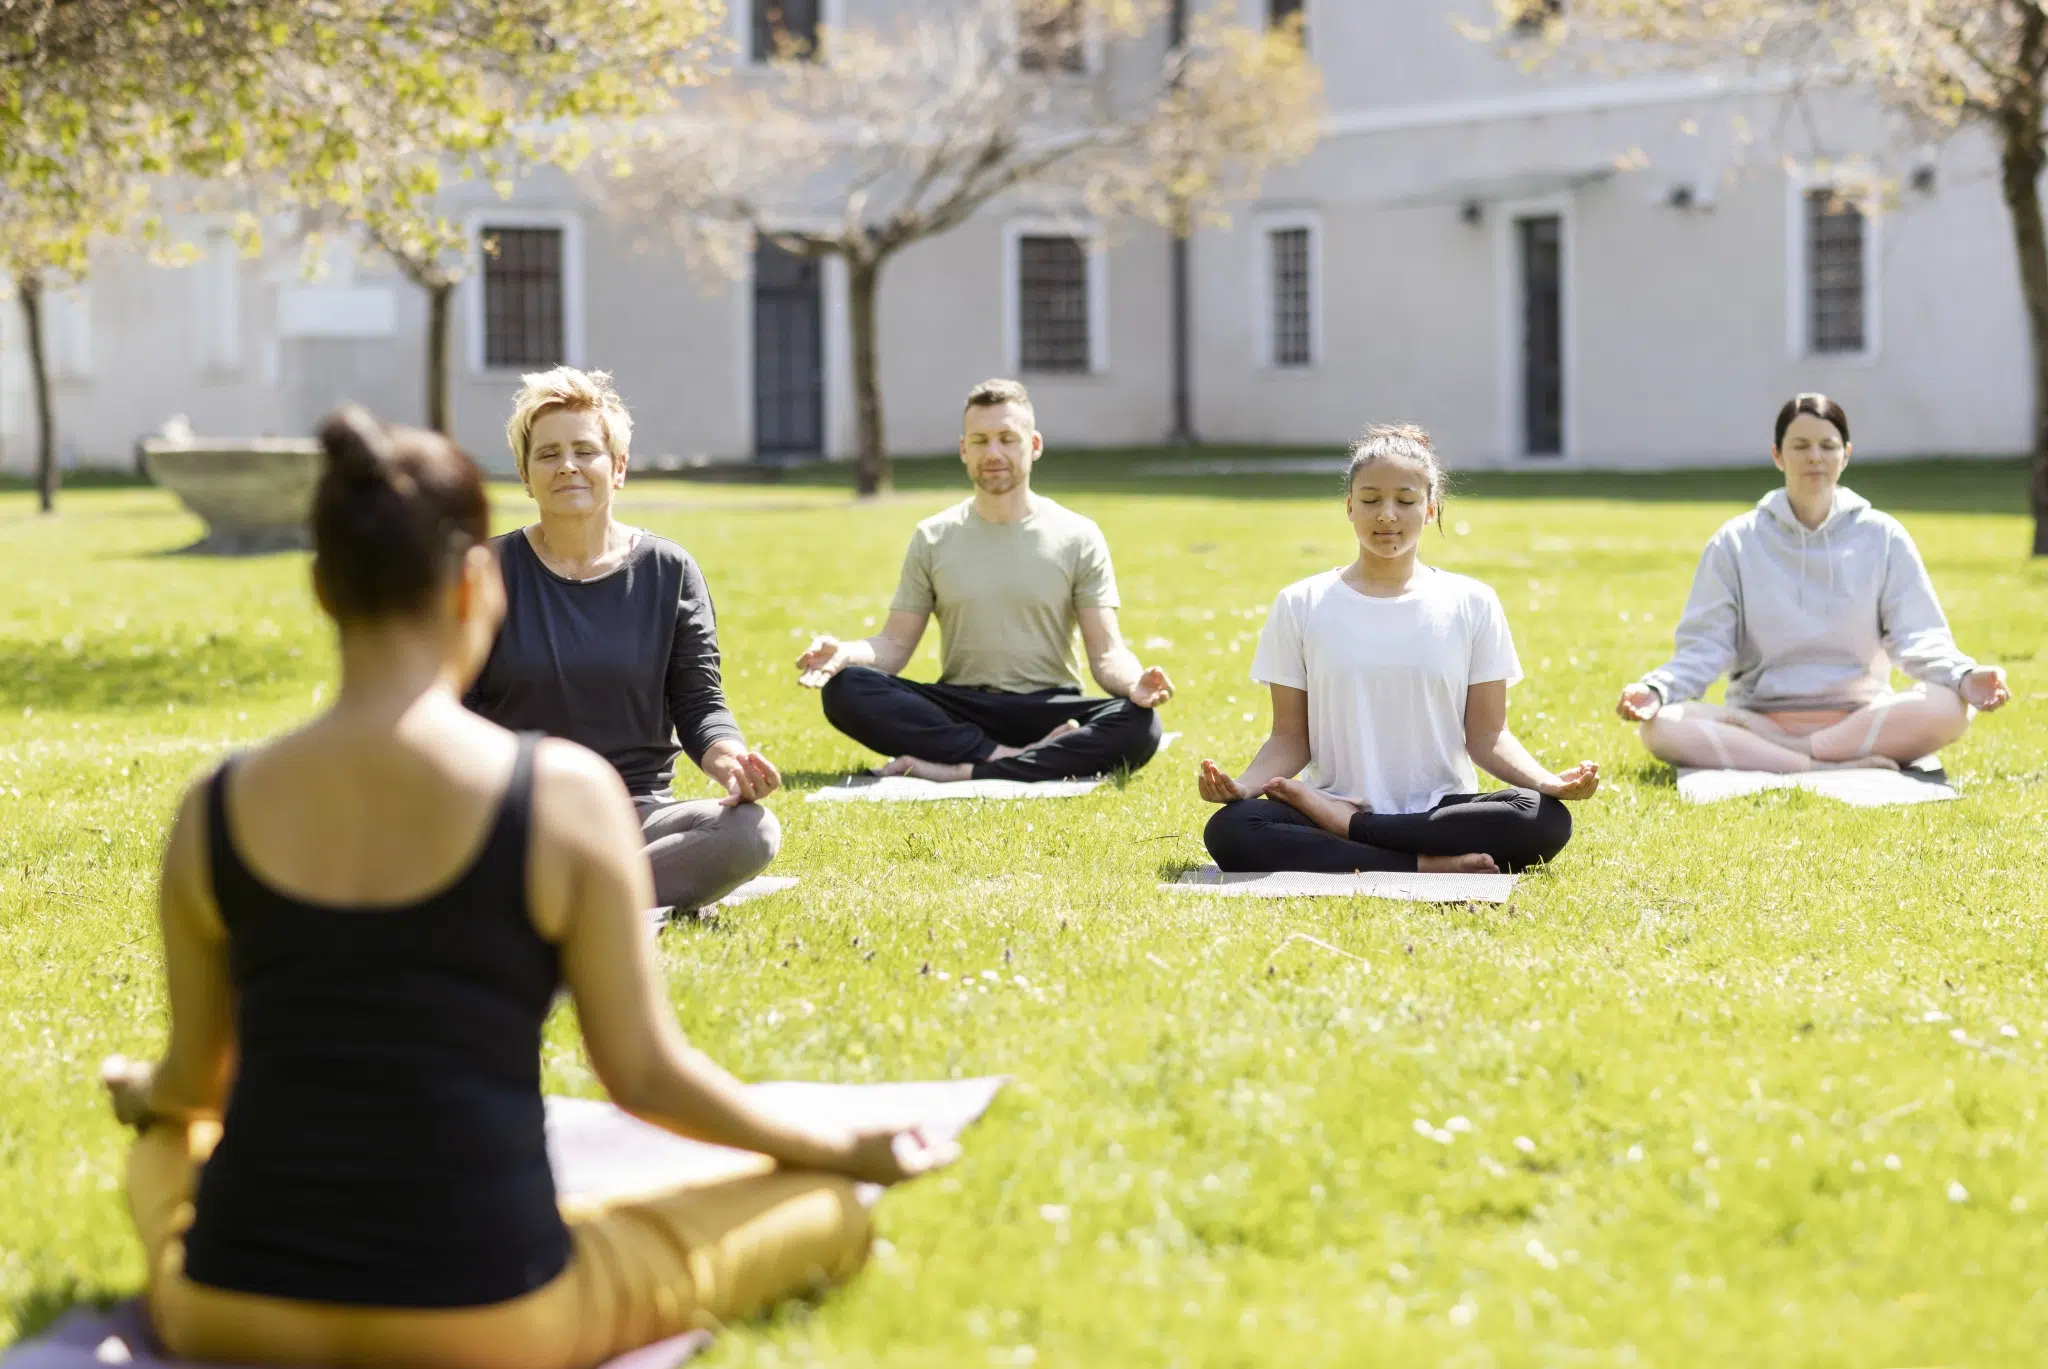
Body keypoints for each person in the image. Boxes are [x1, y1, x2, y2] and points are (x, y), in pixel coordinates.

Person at [97, 408, 952, 1369]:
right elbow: (646, 1079)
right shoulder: (558, 796)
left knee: (167, 1149)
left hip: (231, 1308)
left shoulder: (212, 808)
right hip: (487, 1319)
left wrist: (144, 1090)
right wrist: (837, 1146)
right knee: (821, 1209)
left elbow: (199, 1084)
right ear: (476, 587)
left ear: (320, 588)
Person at [1199, 424, 1599, 875]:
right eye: (1370, 500)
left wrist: (1547, 781)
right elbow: (1291, 738)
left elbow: (1488, 737)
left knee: (1541, 817)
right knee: (1232, 828)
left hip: (1438, 814)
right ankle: (1420, 863)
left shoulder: (1473, 602)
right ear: (1350, 508)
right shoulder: (1301, 603)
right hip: (1333, 801)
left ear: (1430, 510)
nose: (1387, 515)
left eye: (1405, 501)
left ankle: (1355, 831)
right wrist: (1244, 786)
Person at [464, 366, 781, 915]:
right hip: (519, 814)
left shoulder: (669, 570)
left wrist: (731, 761)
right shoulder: (484, 572)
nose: (568, 466)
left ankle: (559, 903)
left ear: (619, 467)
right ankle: (602, 898)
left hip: (634, 815)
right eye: (548, 454)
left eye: (585, 450)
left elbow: (700, 705)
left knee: (751, 832)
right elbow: (452, 711)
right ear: (524, 473)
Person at [795, 378, 1173, 781]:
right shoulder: (933, 536)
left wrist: (1136, 684)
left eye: (1007, 438)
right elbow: (893, 646)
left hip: (1049, 708)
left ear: (1034, 445)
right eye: (980, 440)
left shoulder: (1078, 536)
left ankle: (959, 770)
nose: (993, 453)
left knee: (1141, 724)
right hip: (962, 710)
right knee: (845, 688)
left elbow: (1106, 655)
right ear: (964, 450)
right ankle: (1012, 758)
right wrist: (845, 653)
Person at [1617, 393, 2011, 771]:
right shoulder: (1734, 542)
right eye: (1800, 445)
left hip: (1862, 716)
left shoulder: (1883, 536)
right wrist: (1656, 690)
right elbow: (1705, 648)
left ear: (1846, 454)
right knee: (1661, 725)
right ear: (1777, 455)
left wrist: (1962, 675)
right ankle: (1821, 765)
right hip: (1759, 719)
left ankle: (1790, 759)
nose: (1815, 457)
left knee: (1950, 707)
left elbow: (1918, 636)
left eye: (1828, 445)